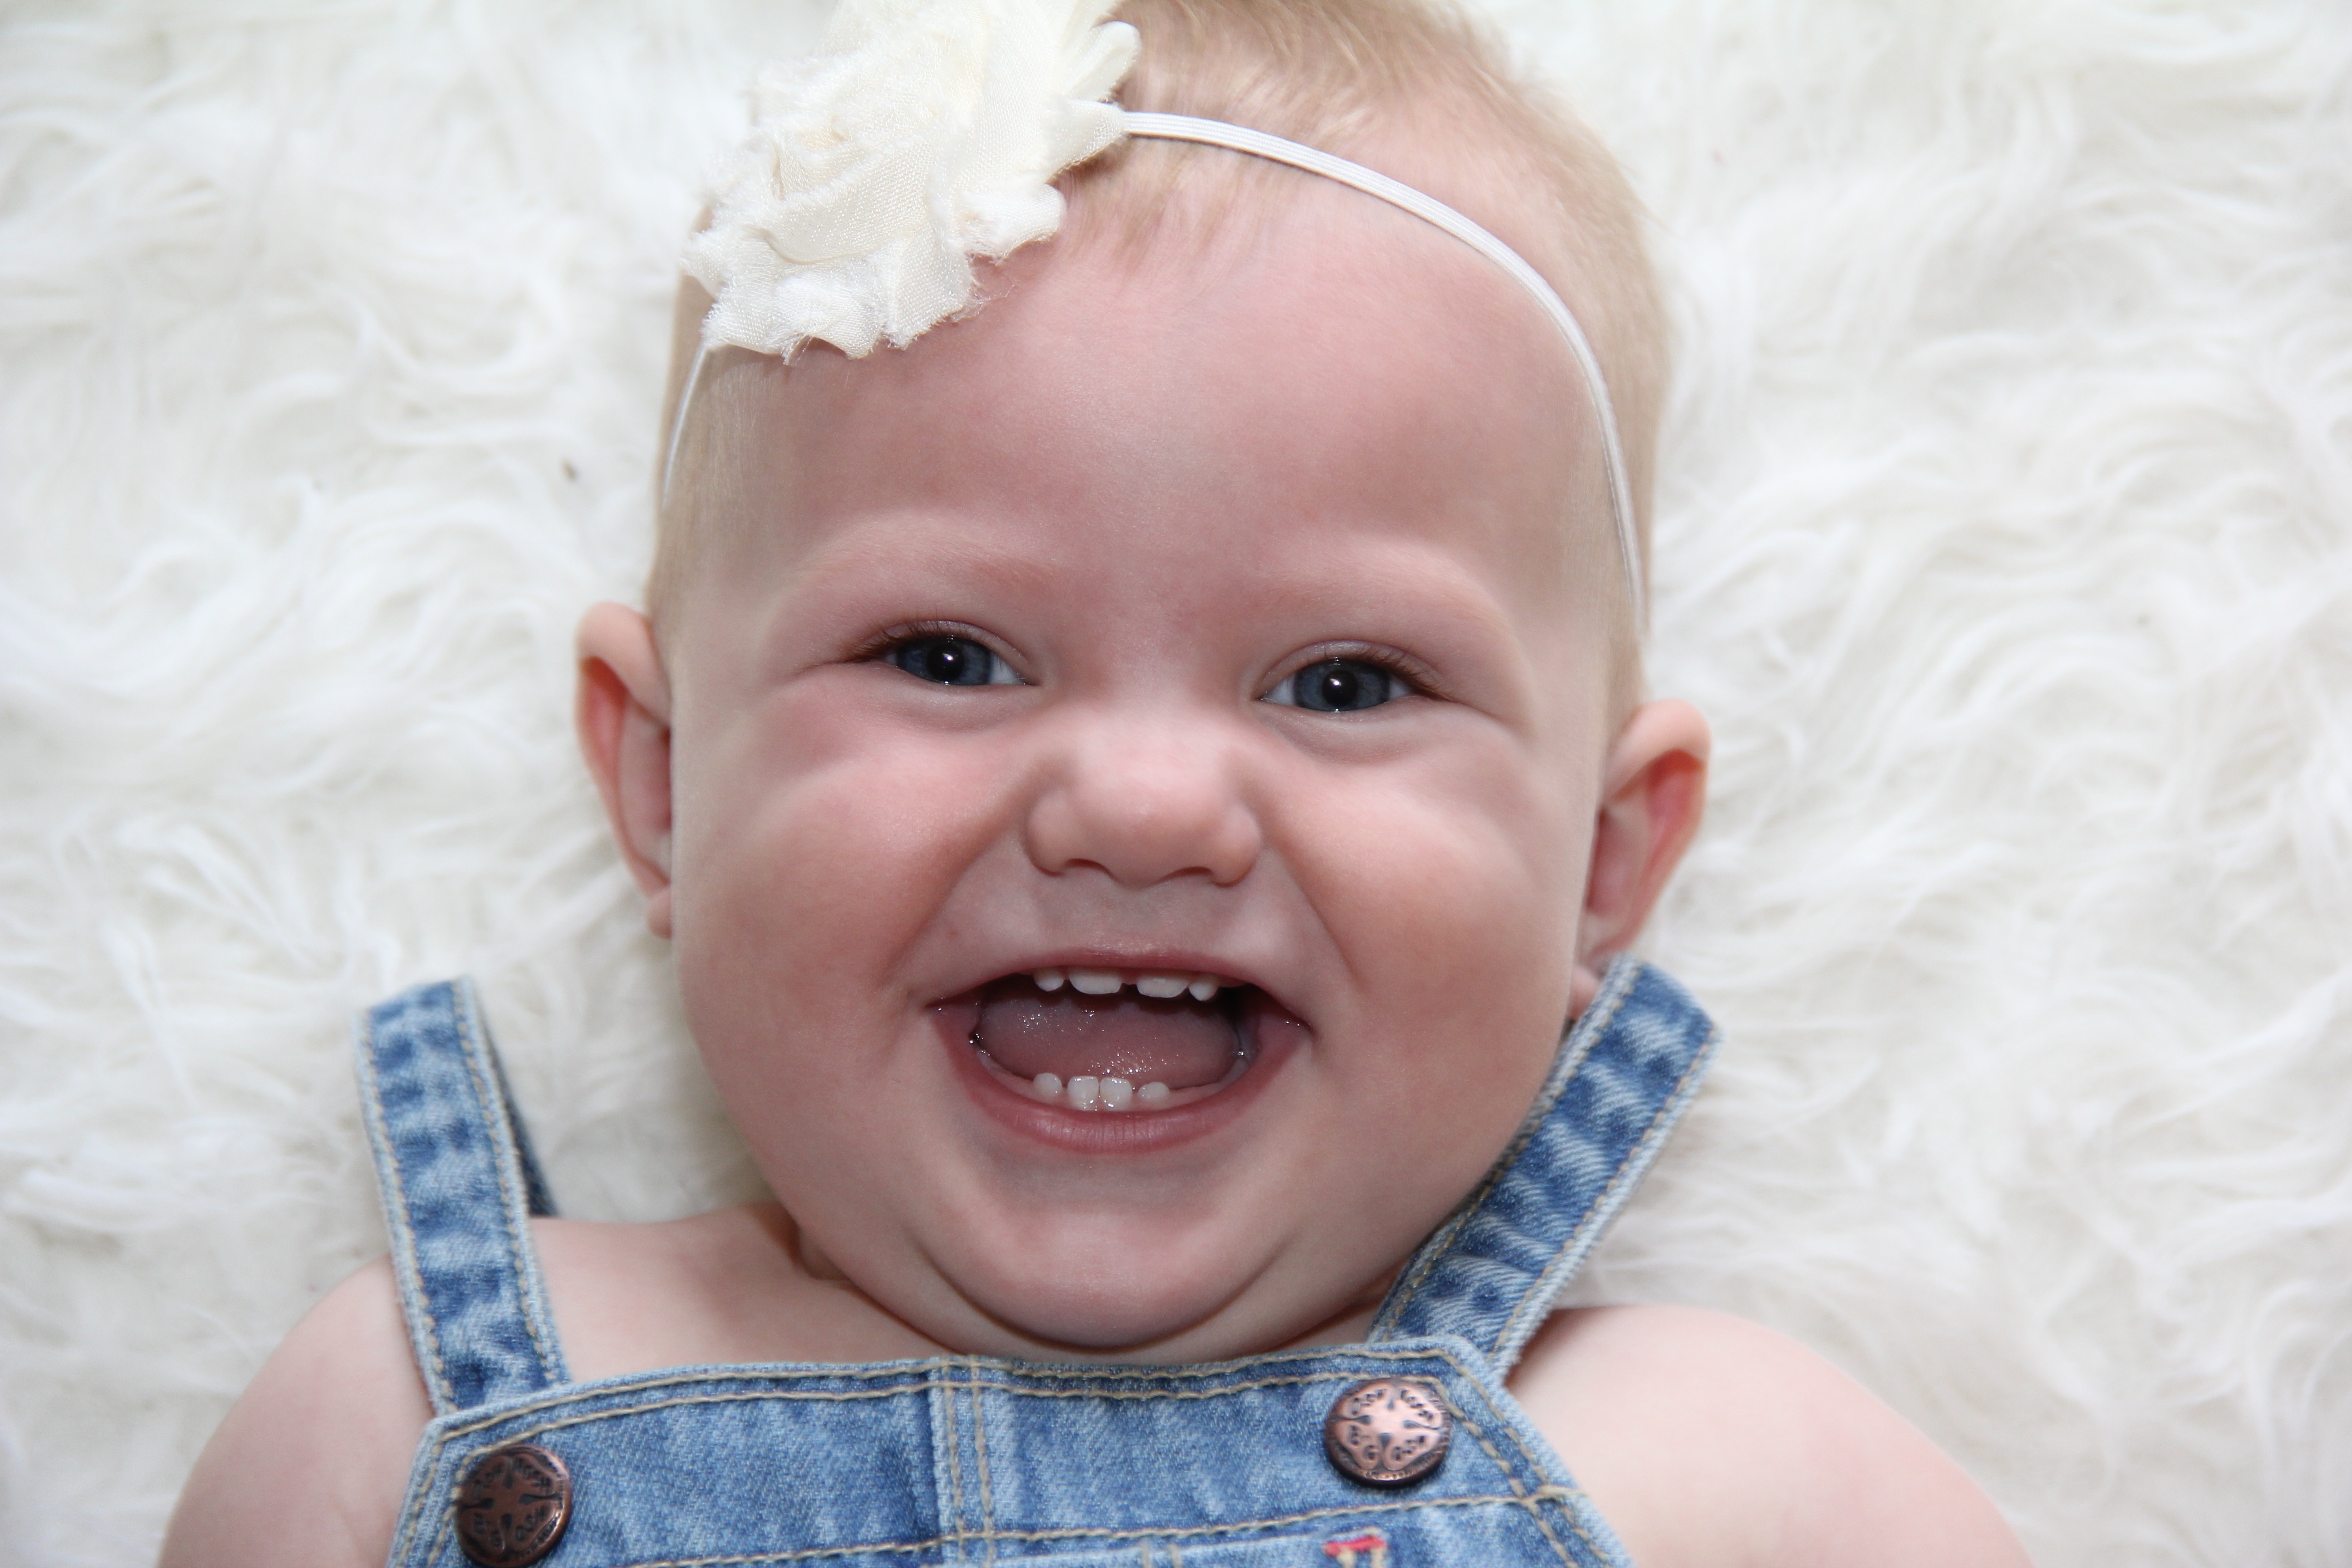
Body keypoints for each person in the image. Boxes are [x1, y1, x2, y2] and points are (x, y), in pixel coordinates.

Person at [161, 0, 2032, 1563]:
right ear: (661, 783)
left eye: (1346, 683)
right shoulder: (410, 1412)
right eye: (946, 656)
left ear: (1605, 866)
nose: (1143, 810)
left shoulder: (1735, 1478)